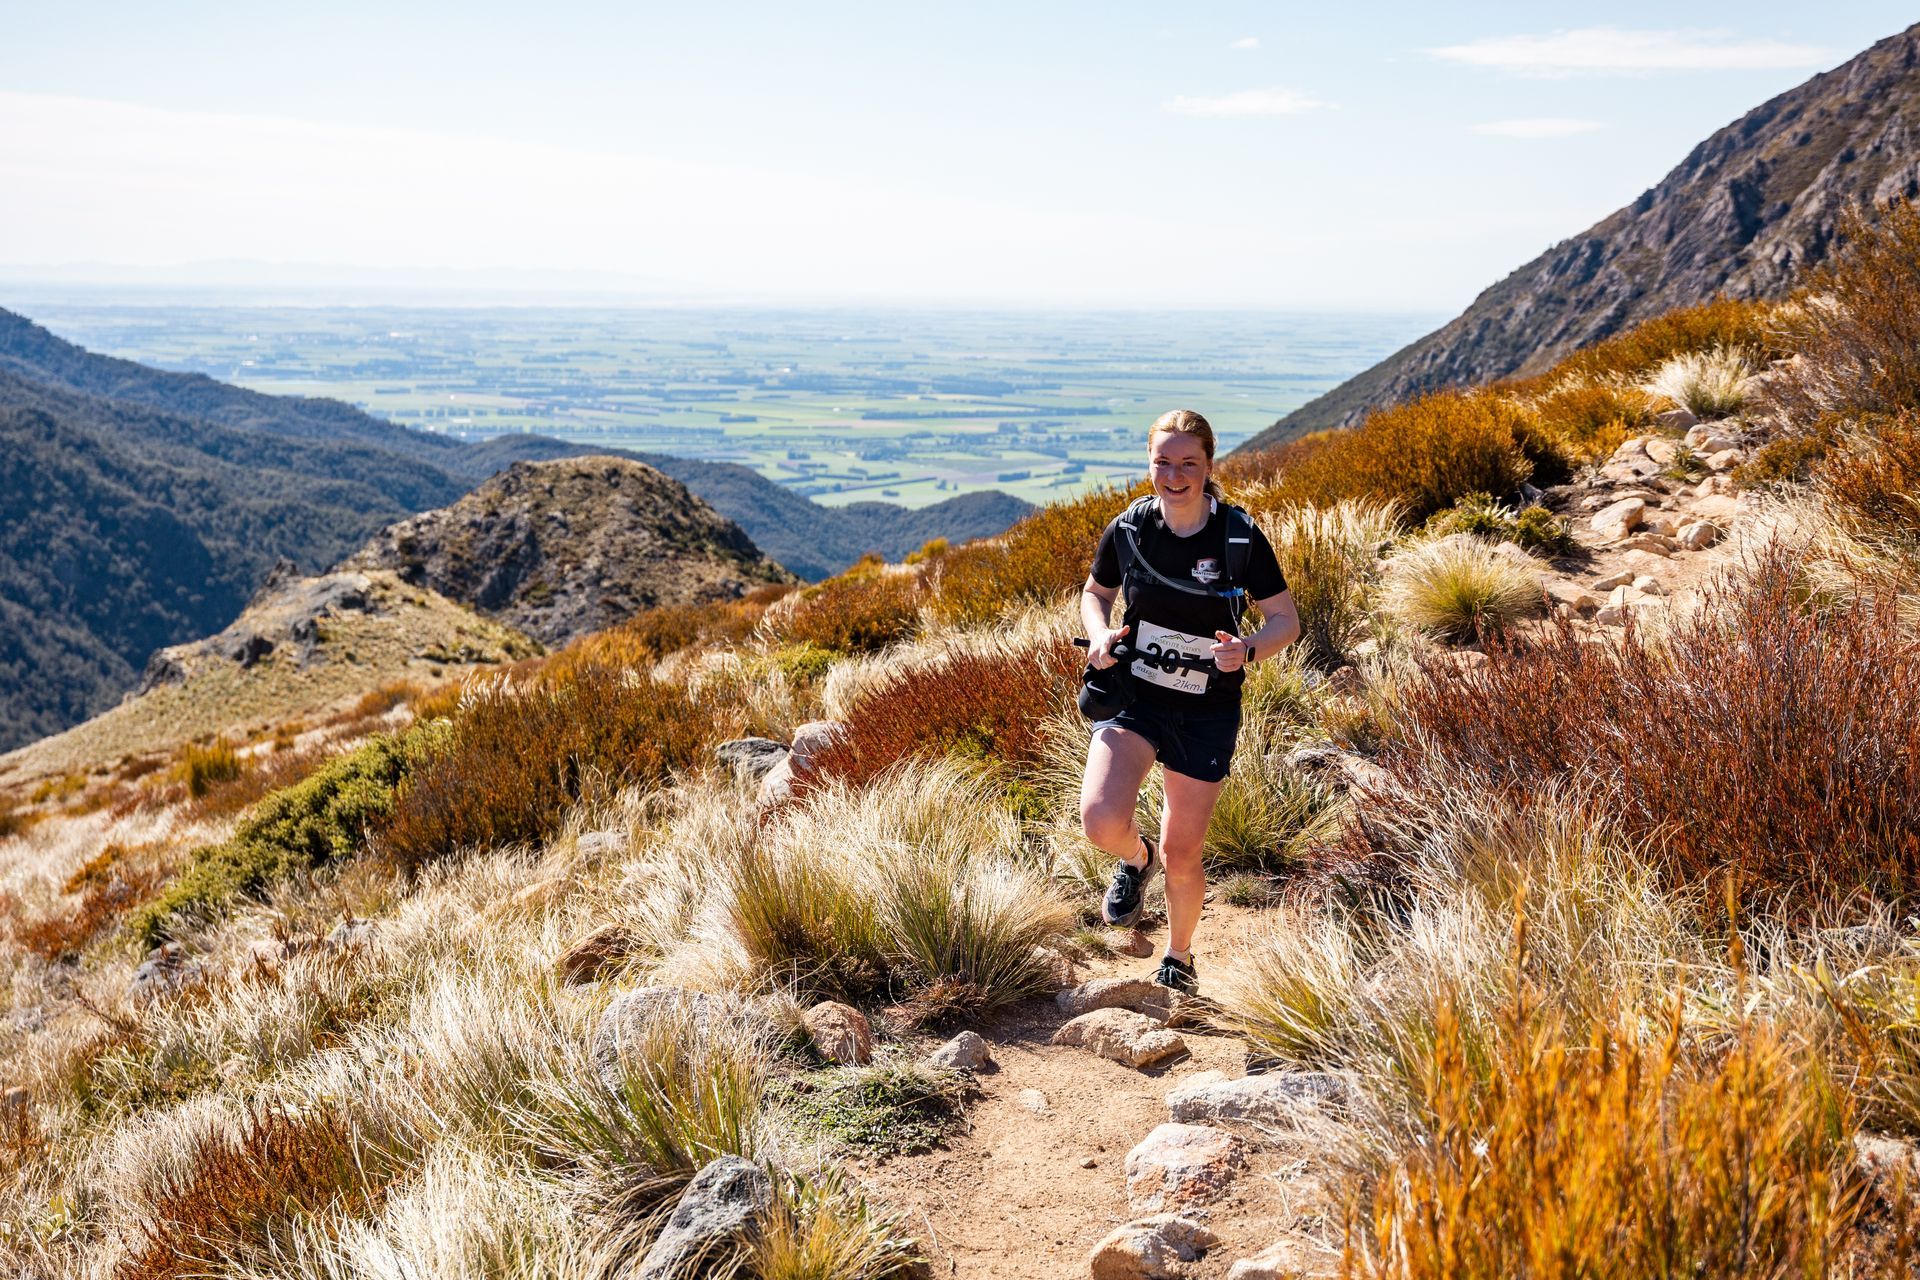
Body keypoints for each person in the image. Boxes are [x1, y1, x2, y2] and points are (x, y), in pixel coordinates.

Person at [1078, 409, 1300, 993]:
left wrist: (1248, 651)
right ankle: (1133, 858)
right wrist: (1100, 634)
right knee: (1101, 821)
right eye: (1163, 461)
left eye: (1188, 463)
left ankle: (1179, 954)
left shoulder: (1238, 536)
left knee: (1184, 851)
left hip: (1208, 706)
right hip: (1136, 693)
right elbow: (1096, 593)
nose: (1174, 475)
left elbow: (1284, 620)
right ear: (1149, 463)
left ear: (1208, 466)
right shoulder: (1129, 531)